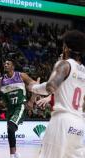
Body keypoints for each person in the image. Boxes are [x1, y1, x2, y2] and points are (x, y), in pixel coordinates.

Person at [29, 30, 85, 158]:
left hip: (62, 121)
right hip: (80, 123)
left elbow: (50, 87)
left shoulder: (64, 65)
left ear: (65, 48)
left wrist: (34, 87)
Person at [0, 59, 37, 158]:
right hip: (10, 109)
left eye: (8, 64)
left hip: (20, 106)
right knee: (10, 131)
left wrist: (32, 100)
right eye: (4, 64)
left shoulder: (21, 76)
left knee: (10, 127)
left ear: (13, 67)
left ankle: (13, 155)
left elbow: (35, 85)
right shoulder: (0, 81)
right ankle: (13, 154)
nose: (5, 65)